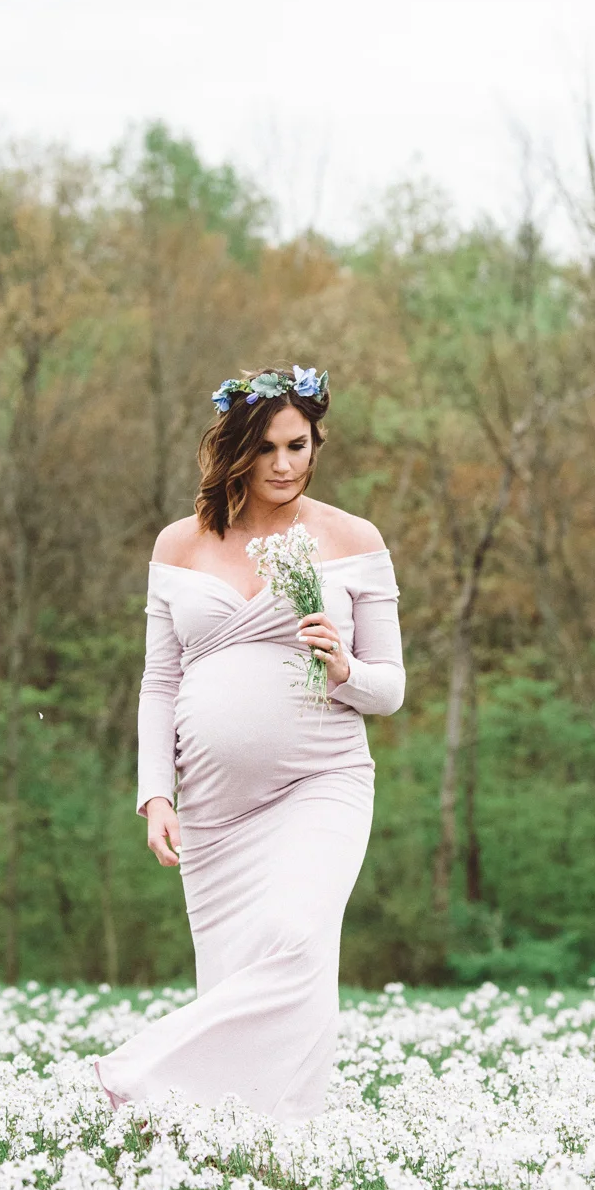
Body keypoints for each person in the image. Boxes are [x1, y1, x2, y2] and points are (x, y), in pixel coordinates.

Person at [91, 365, 404, 1120]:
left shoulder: (351, 539)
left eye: (298, 445)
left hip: (319, 780)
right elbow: (157, 683)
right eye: (265, 449)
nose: (285, 465)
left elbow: (390, 690)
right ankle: (234, 1141)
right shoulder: (179, 544)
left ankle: (136, 1075)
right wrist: (155, 791)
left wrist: (345, 666)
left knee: (295, 942)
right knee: (236, 974)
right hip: (212, 809)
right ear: (234, 451)